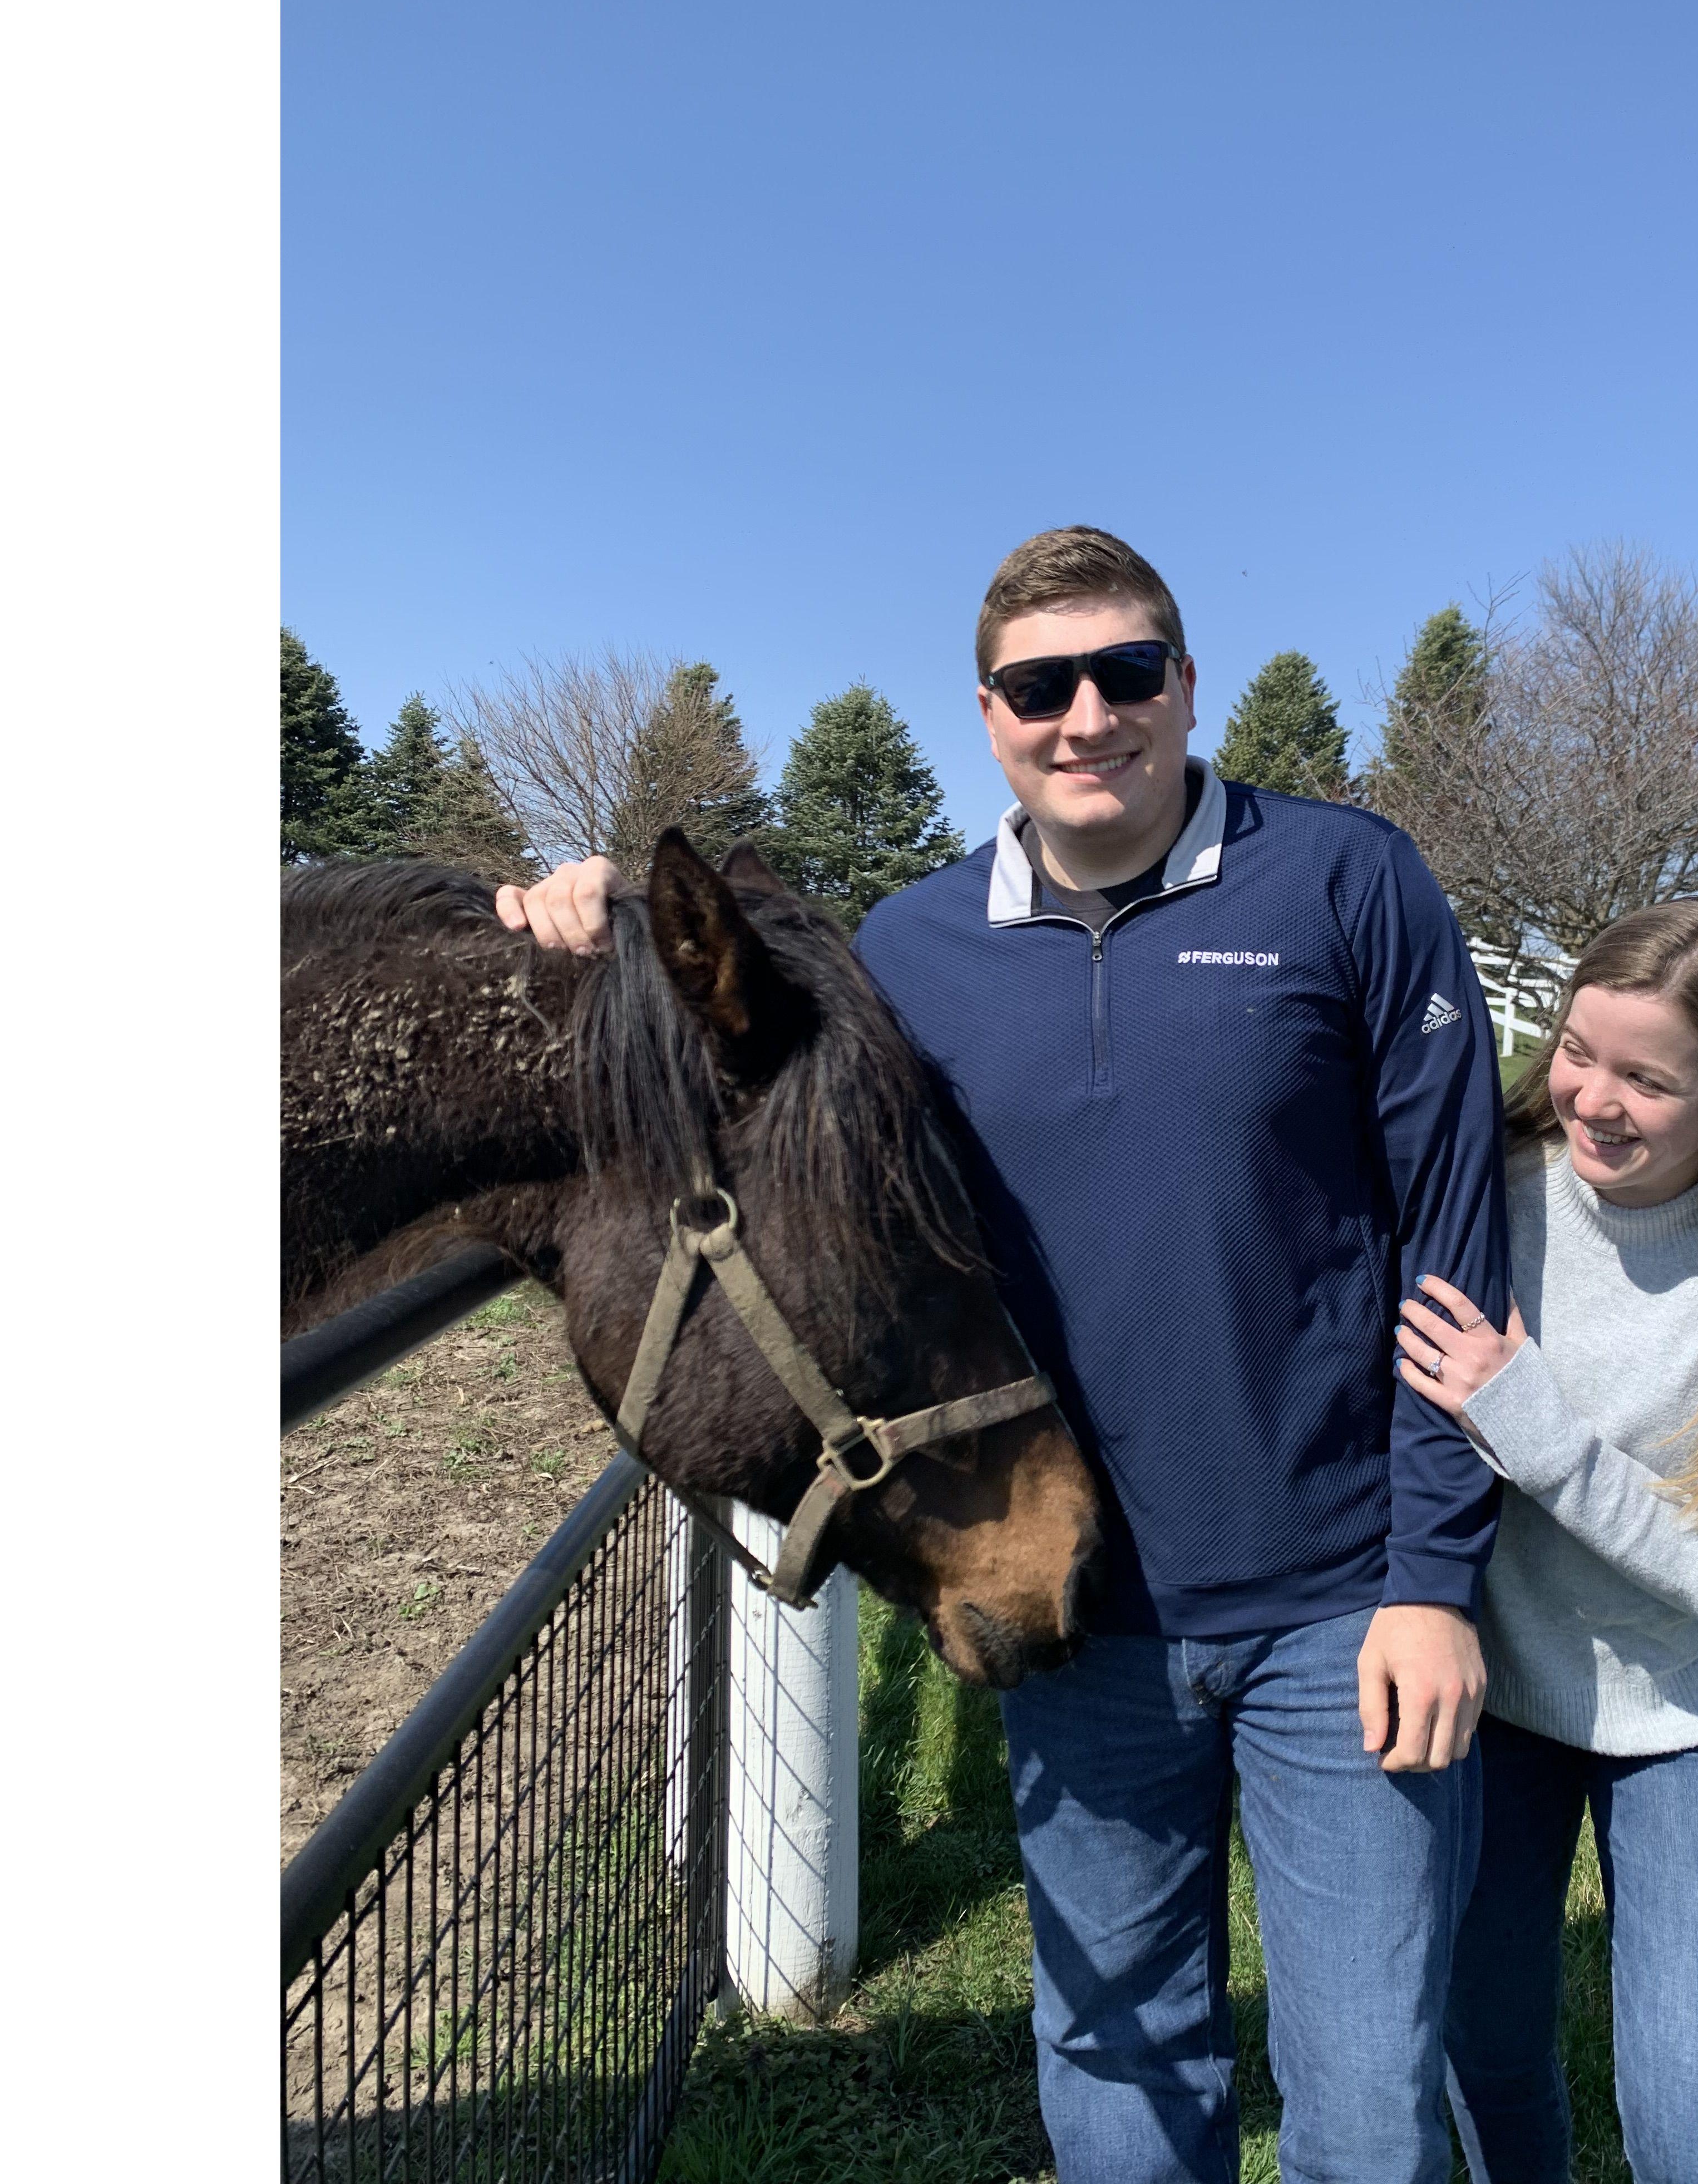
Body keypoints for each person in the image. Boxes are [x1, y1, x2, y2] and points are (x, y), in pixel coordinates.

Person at [498, 525, 1506, 2184]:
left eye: (1126, 674)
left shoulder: (1347, 883)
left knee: (1371, 2085)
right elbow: (721, 1004)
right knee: (1117, 2045)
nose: (1087, 714)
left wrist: (1433, 1580)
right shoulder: (908, 955)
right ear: (989, 714)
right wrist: (588, 908)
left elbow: (1457, 1244)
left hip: (1341, 1600)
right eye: (1043, 686)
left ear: (1188, 687)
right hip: (1066, 1605)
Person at [1395, 901, 1698, 2184]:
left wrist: (1536, 1430)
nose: (1592, 1099)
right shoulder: (1487, 1196)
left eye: (1648, 1079)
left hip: (1696, 1716)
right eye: (1577, 1052)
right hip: (1495, 1703)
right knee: (1486, 2056)